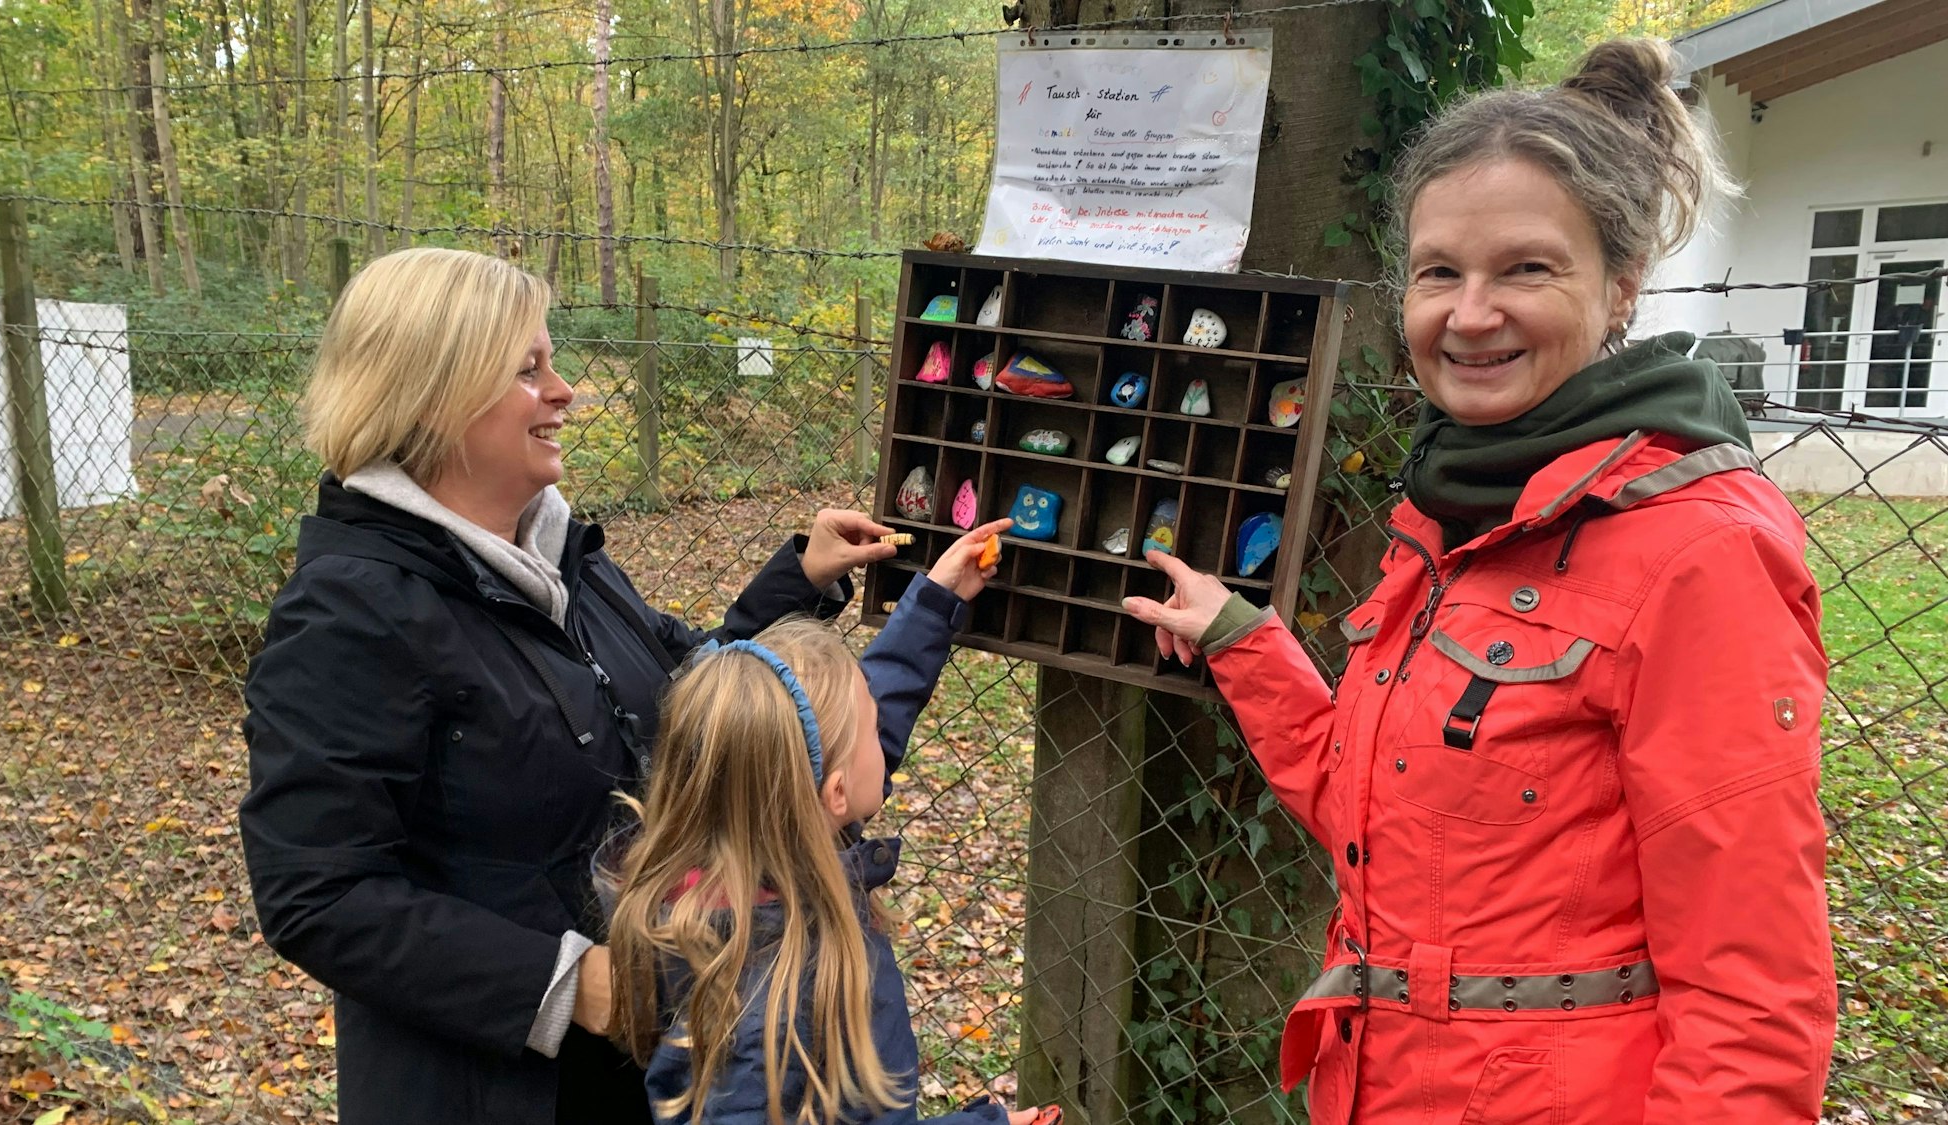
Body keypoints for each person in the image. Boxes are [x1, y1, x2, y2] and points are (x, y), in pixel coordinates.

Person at [1124, 39, 1835, 1124]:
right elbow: (1386, 809)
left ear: (1619, 289)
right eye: (1438, 271)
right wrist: (1241, 639)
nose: (1467, 313)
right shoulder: (1450, 511)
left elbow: (1751, 990)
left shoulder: (1697, 551)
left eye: (1524, 268)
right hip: (1375, 1085)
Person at [240, 246, 905, 1124]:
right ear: (436, 392)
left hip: (640, 1058)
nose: (564, 391)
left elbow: (687, 697)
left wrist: (800, 581)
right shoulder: (351, 614)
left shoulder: (560, 560)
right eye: (529, 369)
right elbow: (317, 894)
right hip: (491, 1092)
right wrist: (569, 983)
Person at [601, 527, 1053, 1125]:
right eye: (869, 732)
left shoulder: (734, 863)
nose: (880, 738)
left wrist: (937, 598)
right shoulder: (771, 1009)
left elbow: (863, 714)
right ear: (834, 794)